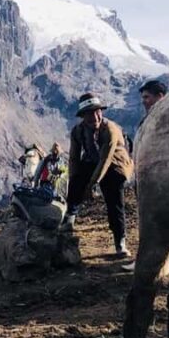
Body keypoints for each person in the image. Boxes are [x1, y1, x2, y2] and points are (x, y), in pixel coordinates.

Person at [65, 93, 133, 257]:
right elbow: (74, 158)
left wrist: (92, 185)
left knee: (114, 199)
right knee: (77, 179)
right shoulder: (78, 131)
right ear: (83, 116)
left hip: (115, 164)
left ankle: (120, 241)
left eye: (97, 112)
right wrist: (75, 182)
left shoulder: (110, 129)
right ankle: (69, 217)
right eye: (89, 113)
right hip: (93, 161)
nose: (95, 116)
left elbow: (106, 159)